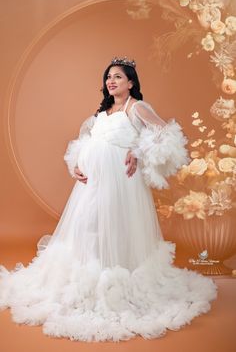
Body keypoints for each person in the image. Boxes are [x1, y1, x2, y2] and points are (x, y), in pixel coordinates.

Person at [0, 57, 217, 342]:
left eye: (117, 77)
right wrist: (78, 162)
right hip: (93, 185)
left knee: (116, 227)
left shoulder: (137, 107)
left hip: (121, 183)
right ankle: (87, 280)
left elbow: (167, 134)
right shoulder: (102, 112)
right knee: (89, 226)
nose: (111, 81)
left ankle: (116, 281)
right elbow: (86, 141)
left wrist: (138, 151)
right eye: (108, 77)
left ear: (130, 83)